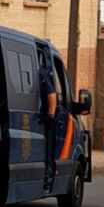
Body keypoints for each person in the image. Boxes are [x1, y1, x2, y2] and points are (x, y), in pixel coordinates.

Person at [37, 50, 65, 183]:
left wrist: (50, 115)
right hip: (43, 118)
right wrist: (51, 113)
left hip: (45, 119)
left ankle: (48, 174)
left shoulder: (41, 72)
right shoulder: (42, 72)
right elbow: (52, 94)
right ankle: (47, 174)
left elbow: (51, 94)